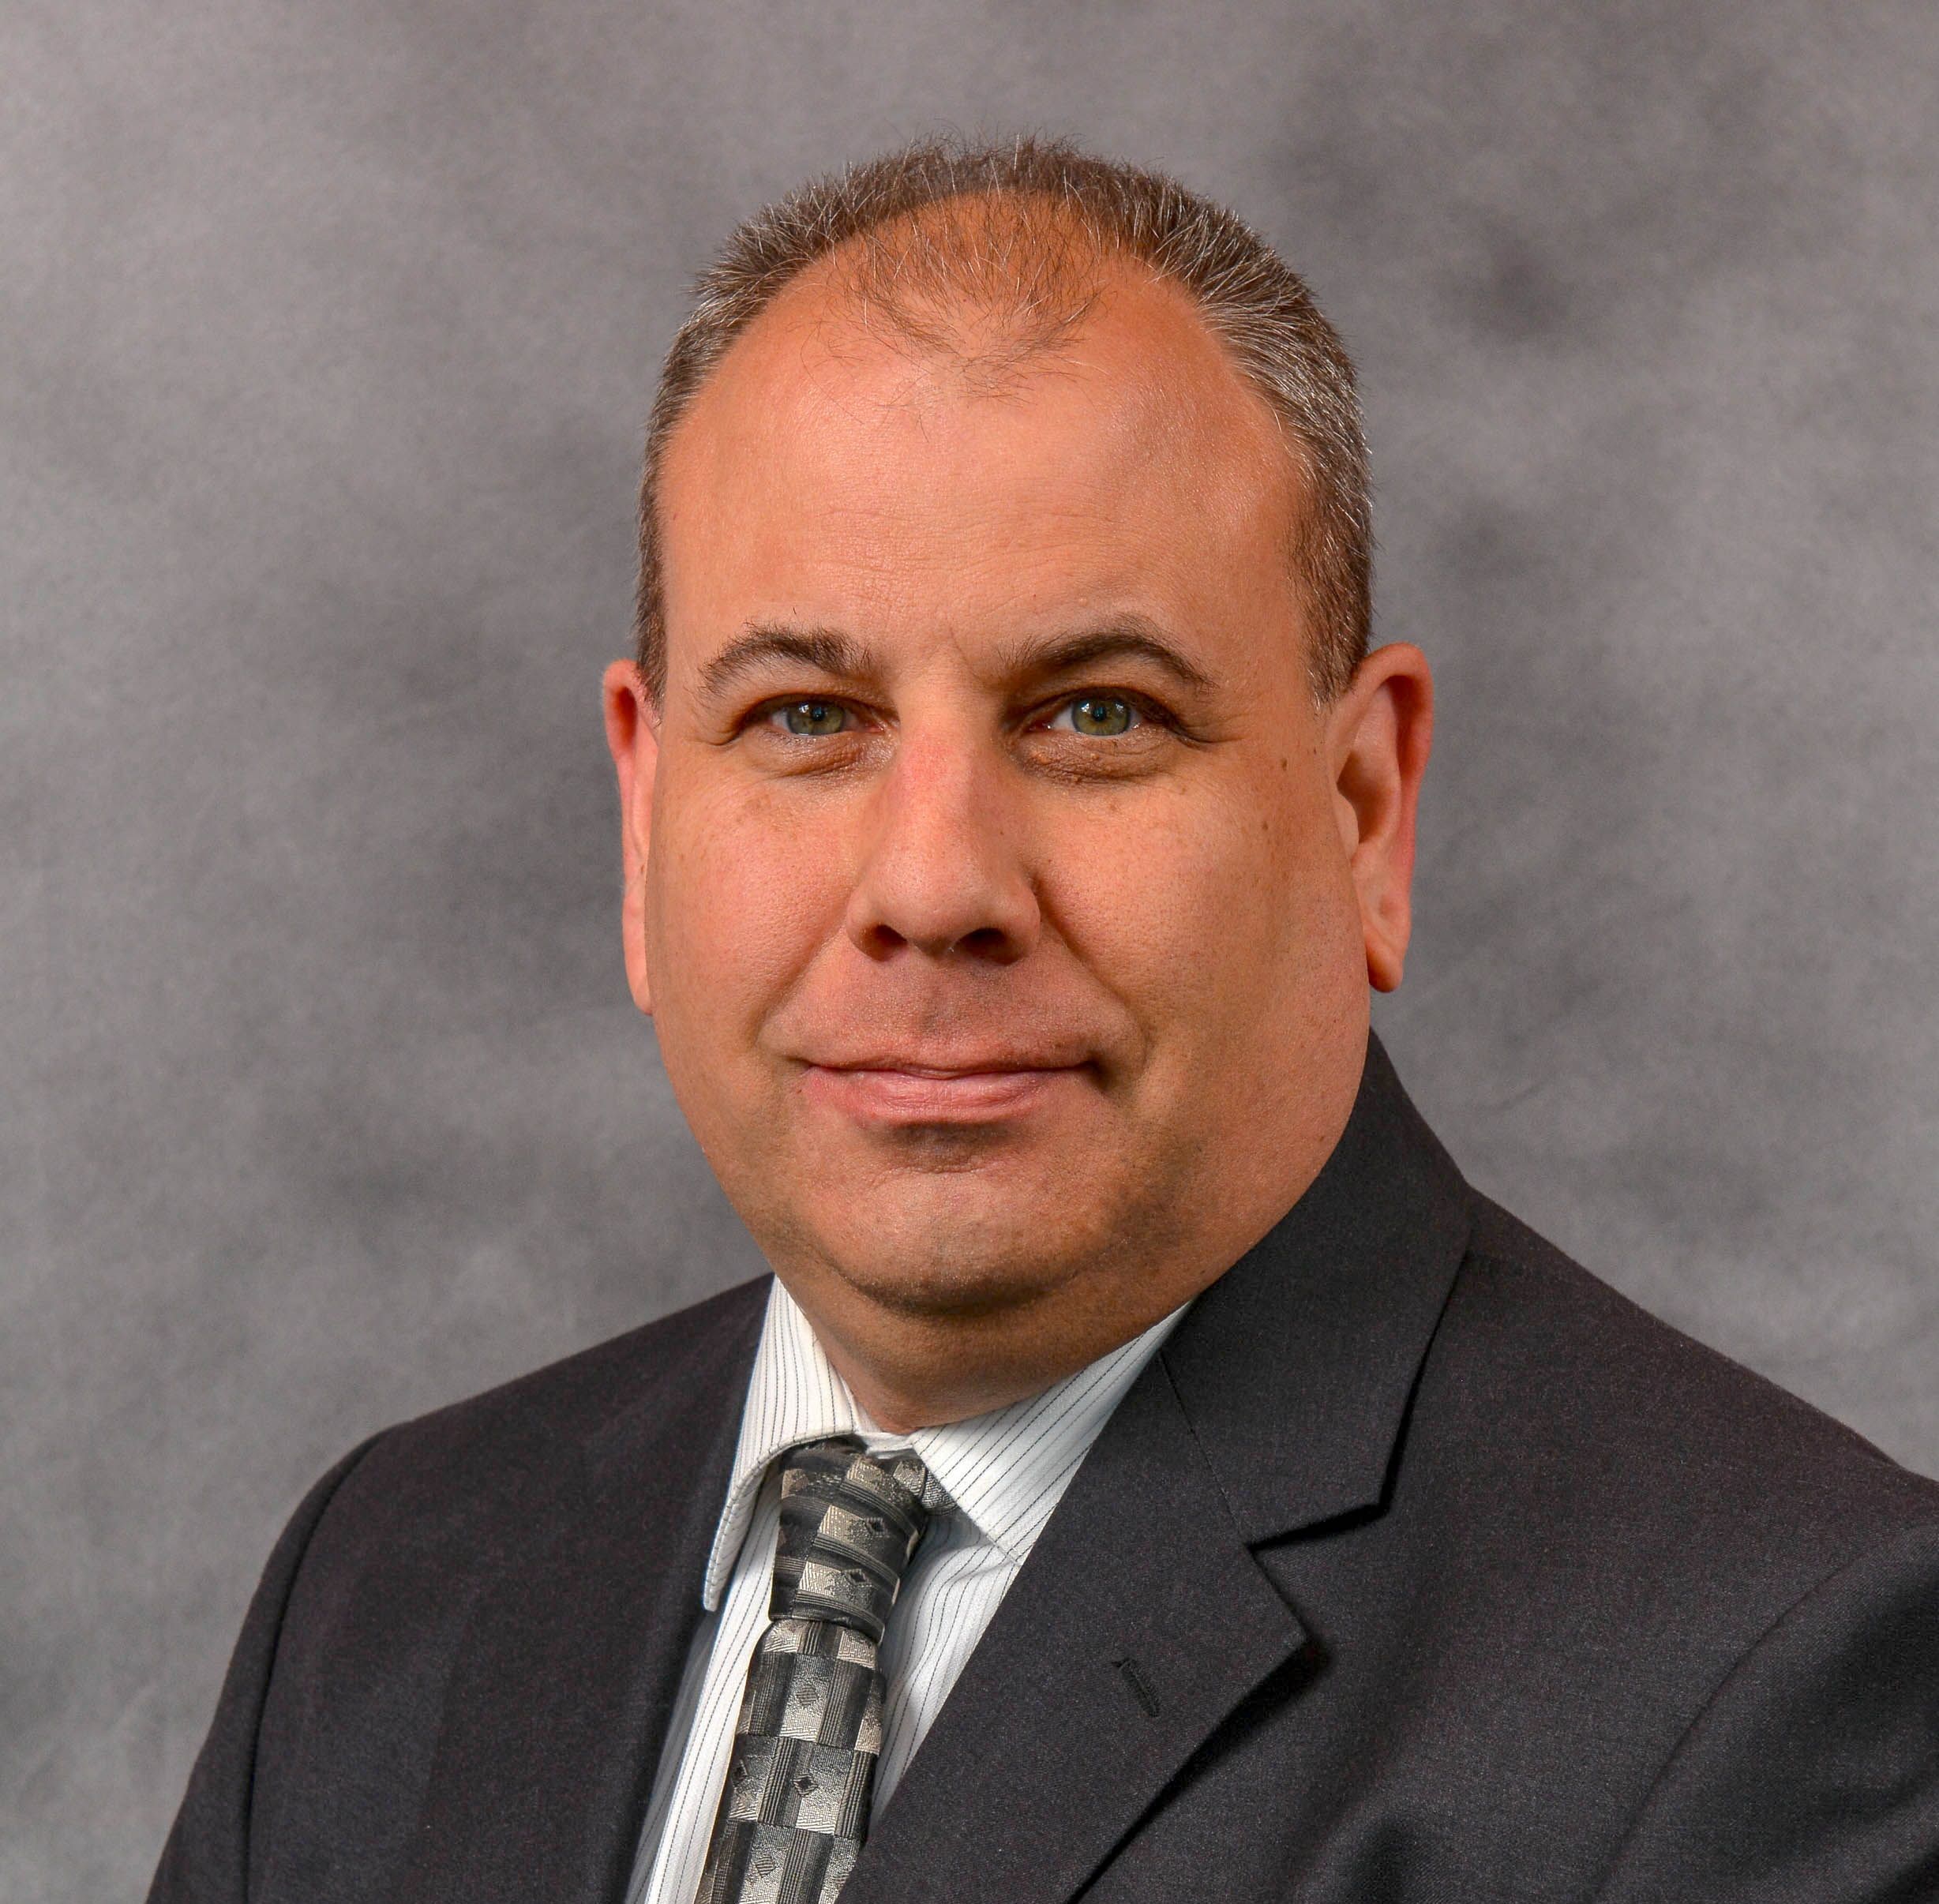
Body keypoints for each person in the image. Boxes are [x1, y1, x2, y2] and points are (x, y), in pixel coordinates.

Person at [150, 139, 1939, 1904]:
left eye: (1096, 715)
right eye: (803, 717)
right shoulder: (390, 1578)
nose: (934, 885)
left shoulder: (1784, 1682)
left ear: (1362, 811)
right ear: (642, 820)